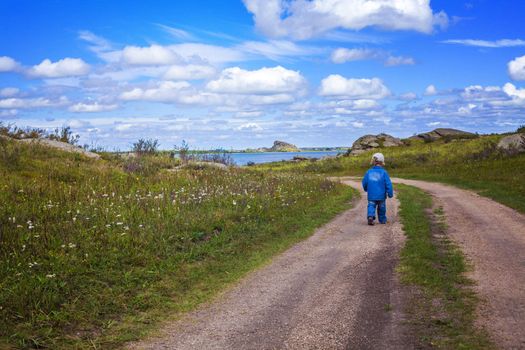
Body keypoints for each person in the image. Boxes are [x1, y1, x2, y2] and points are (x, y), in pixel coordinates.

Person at [362, 152, 393, 225]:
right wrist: (390, 193)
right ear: (382, 162)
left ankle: (370, 216)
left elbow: (364, 182)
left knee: (371, 205)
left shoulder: (368, 172)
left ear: (373, 162)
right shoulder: (384, 172)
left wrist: (366, 189)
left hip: (372, 195)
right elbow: (388, 184)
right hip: (381, 195)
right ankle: (382, 220)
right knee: (382, 208)